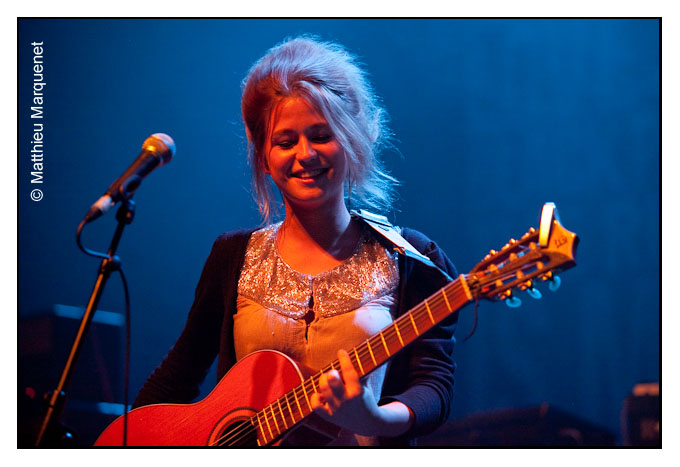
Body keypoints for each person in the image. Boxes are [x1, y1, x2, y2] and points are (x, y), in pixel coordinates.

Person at [133, 36, 458, 446]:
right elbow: (176, 379)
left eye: (321, 135)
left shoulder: (413, 258)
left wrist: (373, 418)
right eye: (286, 142)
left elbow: (434, 386)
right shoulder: (232, 255)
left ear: (352, 139)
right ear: (263, 157)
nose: (305, 154)